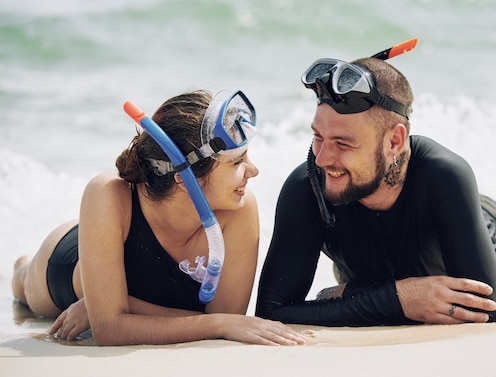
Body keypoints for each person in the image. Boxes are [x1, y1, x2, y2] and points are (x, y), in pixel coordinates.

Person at [256, 49, 496, 327]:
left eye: (343, 143)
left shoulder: (445, 175)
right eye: (318, 137)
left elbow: (485, 314)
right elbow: (272, 312)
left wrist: (349, 297)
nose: (323, 158)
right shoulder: (308, 186)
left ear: (395, 141)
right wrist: (400, 298)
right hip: (384, 270)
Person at [12, 89, 306, 346]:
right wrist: (218, 324)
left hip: (115, 261)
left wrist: (121, 306)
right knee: (23, 285)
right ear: (184, 177)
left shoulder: (238, 209)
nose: (253, 171)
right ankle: (21, 267)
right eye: (237, 162)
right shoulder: (108, 194)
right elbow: (109, 331)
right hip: (67, 265)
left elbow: (227, 317)